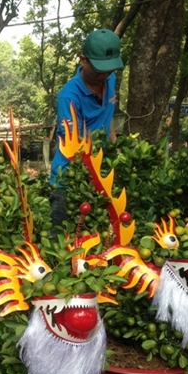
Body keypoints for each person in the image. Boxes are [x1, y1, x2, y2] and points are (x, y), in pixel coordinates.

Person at [49, 28, 124, 226]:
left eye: (109, 70)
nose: (104, 75)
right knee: (64, 243)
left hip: (103, 175)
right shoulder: (69, 97)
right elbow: (75, 148)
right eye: (99, 69)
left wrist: (116, 156)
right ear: (83, 60)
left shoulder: (110, 79)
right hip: (70, 181)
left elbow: (108, 121)